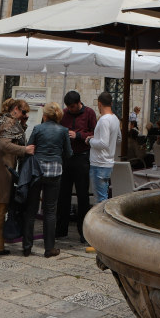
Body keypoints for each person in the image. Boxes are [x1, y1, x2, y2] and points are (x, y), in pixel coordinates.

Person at [0, 100, 33, 256]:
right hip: (1, 168)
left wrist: (22, 122)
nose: (25, 115)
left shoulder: (2, 119)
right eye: (24, 112)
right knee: (0, 207)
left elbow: (16, 136)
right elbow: (5, 144)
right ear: (16, 109)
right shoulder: (9, 122)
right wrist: (25, 150)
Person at [22, 102, 72, 258]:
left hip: (37, 170)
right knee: (50, 211)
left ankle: (27, 246)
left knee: (31, 209)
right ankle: (49, 248)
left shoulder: (38, 129)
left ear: (45, 115)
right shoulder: (63, 130)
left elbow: (30, 148)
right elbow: (69, 152)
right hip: (55, 171)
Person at [56, 91, 96, 243]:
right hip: (66, 158)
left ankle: (83, 232)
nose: (70, 109)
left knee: (83, 195)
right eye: (68, 107)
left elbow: (94, 132)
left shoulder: (89, 113)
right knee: (63, 194)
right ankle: (60, 230)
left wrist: (78, 135)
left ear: (79, 103)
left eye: (72, 107)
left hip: (82, 157)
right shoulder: (64, 113)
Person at [87, 92, 121, 205]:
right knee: (103, 197)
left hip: (99, 163)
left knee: (100, 200)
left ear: (99, 104)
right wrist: (97, 138)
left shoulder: (104, 120)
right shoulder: (115, 118)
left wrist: (90, 141)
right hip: (108, 163)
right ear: (111, 103)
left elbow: (103, 143)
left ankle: (102, 221)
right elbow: (118, 139)